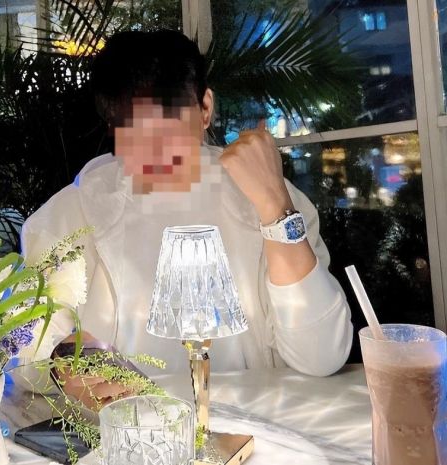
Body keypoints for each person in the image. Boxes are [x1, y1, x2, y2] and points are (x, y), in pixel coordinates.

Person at [19, 30, 353, 407]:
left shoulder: (269, 195)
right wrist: (61, 361)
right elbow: (25, 351)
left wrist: (275, 210)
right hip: (126, 426)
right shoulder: (73, 214)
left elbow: (322, 355)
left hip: (257, 422)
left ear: (205, 108)